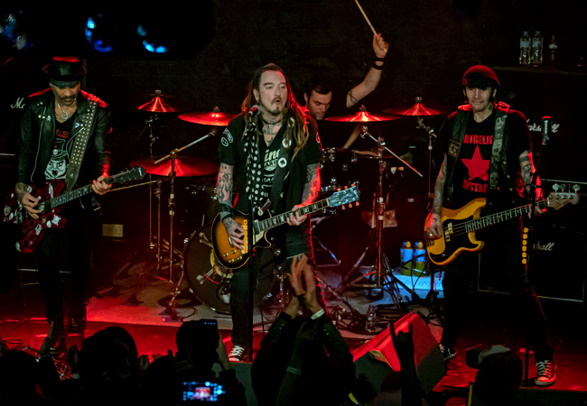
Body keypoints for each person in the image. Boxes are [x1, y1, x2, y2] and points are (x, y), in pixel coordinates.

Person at [424, 65, 556, 387]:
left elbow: (526, 162)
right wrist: (436, 213)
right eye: (471, 88)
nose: (476, 94)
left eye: (482, 89)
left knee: (519, 284)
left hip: (504, 211)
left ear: (494, 92)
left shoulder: (511, 121)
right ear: (464, 91)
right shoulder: (456, 122)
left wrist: (536, 194)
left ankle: (544, 357)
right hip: (461, 214)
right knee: (454, 282)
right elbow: (443, 172)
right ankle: (447, 345)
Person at [216, 62, 323, 362]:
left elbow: (314, 174)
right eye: (268, 87)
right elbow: (225, 173)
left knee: (306, 285)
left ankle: (318, 345)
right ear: (256, 94)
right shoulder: (238, 127)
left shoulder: (303, 126)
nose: (277, 93)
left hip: (290, 219)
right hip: (247, 219)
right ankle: (240, 343)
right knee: (241, 286)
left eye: (281, 87)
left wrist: (305, 204)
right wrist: (226, 217)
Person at [13, 56, 112, 357]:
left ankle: (78, 309)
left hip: (77, 195)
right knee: (46, 260)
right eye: (61, 86)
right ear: (50, 84)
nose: (68, 93)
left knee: (81, 258)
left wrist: (103, 176)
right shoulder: (35, 107)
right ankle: (55, 321)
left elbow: (102, 152)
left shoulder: (96, 109)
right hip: (43, 197)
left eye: (73, 86)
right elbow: (24, 151)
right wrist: (21, 189)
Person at [250, 254, 355, 406]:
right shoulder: (329, 387)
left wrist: (293, 304)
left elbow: (267, 346)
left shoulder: (266, 380)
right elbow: (344, 358)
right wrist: (313, 305)